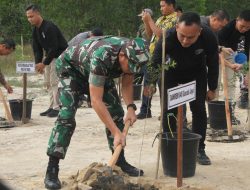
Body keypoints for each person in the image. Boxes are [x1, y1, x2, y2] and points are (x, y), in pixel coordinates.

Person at [44, 36, 149, 189]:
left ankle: (119, 160)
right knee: (66, 117)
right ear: (121, 56)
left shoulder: (133, 52)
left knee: (117, 112)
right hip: (71, 70)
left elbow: (127, 83)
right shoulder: (102, 56)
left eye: (138, 67)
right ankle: (52, 169)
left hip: (96, 73)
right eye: (132, 66)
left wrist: (131, 107)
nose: (134, 70)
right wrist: (116, 132)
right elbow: (96, 101)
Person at [147, 12, 219, 165]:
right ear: (176, 28)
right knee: (169, 110)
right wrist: (150, 83)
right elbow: (154, 62)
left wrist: (212, 88)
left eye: (191, 37)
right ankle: (169, 147)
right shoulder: (167, 37)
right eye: (182, 36)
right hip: (171, 72)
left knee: (199, 109)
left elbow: (213, 63)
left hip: (196, 73)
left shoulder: (209, 37)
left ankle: (199, 149)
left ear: (199, 32)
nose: (185, 41)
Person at [137, 0, 177, 119]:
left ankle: (164, 112)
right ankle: (145, 110)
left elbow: (162, 35)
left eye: (163, 6)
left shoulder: (175, 19)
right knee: (149, 82)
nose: (161, 8)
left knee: (163, 84)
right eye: (160, 6)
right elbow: (151, 35)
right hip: (154, 55)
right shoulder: (160, 19)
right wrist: (146, 22)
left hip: (166, 56)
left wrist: (149, 20)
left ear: (171, 5)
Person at [26, 4, 68, 117]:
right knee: (48, 82)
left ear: (38, 14)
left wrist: (44, 63)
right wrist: (38, 63)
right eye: (28, 17)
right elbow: (37, 49)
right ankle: (51, 106)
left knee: (54, 81)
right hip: (49, 56)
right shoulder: (35, 30)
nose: (30, 19)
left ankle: (57, 107)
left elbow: (54, 47)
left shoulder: (49, 27)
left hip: (60, 55)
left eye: (31, 16)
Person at [218, 10, 250, 110]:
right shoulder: (225, 29)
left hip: (233, 53)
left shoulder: (248, 30)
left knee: (231, 82)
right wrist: (230, 65)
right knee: (216, 83)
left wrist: (245, 67)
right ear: (237, 20)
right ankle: (214, 111)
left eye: (248, 27)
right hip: (219, 53)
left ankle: (229, 109)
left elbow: (247, 50)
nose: (245, 29)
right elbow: (216, 53)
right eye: (242, 26)